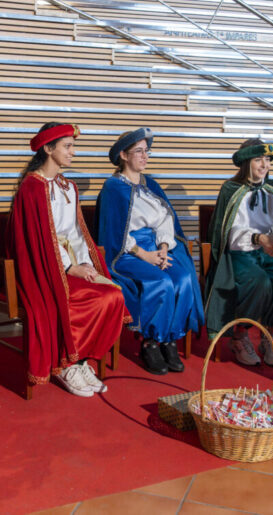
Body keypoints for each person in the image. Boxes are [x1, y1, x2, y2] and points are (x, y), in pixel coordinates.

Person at [6, 122, 127, 397]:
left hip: (69, 262)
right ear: (48, 149)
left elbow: (76, 234)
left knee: (113, 294)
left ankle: (81, 359)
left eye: (73, 146)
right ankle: (65, 364)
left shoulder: (68, 186)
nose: (73, 152)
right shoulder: (32, 187)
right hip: (41, 267)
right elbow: (37, 241)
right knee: (90, 299)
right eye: (67, 146)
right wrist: (70, 269)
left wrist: (86, 266)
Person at [96, 128, 204, 375]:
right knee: (161, 281)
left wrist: (164, 249)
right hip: (127, 253)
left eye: (147, 151)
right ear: (123, 155)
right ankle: (151, 342)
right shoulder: (113, 188)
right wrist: (144, 255)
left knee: (185, 278)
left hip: (157, 248)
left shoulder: (151, 184)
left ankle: (169, 339)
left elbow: (167, 221)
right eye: (139, 151)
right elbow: (113, 233)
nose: (145, 156)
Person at [203, 138, 273, 366]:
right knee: (259, 281)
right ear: (246, 163)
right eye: (258, 160)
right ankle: (240, 336)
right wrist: (256, 237)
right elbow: (227, 234)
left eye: (267, 160)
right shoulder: (230, 189)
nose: (265, 165)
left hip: (268, 253)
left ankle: (269, 336)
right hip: (239, 253)